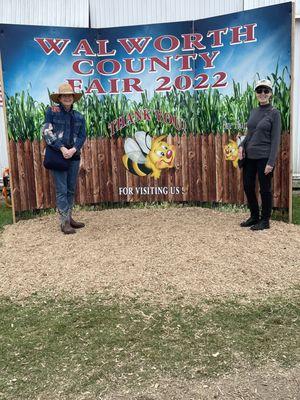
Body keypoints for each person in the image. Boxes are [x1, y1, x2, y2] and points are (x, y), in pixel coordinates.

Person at [42, 83, 86, 234]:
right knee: (61, 190)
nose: (67, 98)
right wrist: (62, 148)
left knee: (71, 189)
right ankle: (64, 222)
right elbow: (47, 132)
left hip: (74, 155)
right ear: (59, 98)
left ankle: (69, 218)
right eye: (64, 95)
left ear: (73, 98)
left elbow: (82, 136)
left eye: (70, 95)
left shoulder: (79, 116)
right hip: (58, 155)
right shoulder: (51, 112)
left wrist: (73, 149)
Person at [238, 79, 281, 231]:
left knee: (265, 189)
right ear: (256, 93)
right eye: (259, 90)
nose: (262, 93)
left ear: (270, 93)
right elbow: (249, 134)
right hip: (249, 157)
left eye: (266, 90)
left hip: (264, 157)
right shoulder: (254, 111)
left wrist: (271, 162)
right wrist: (242, 145)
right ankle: (254, 216)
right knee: (248, 186)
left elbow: (276, 140)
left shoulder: (275, 113)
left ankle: (265, 220)